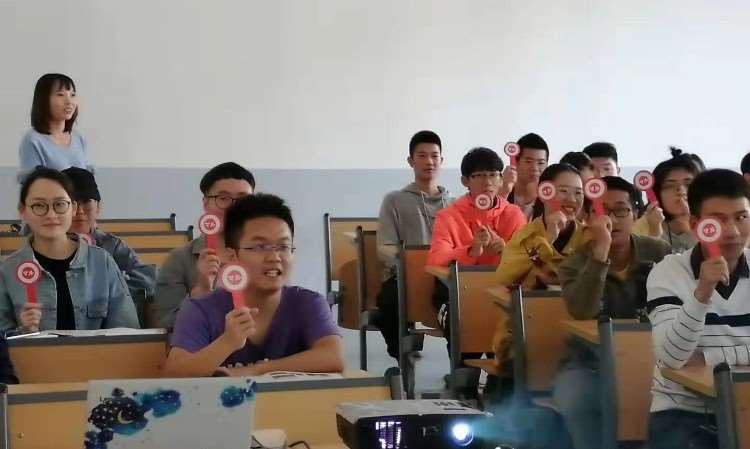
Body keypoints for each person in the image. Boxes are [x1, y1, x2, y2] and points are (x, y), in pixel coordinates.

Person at [164, 193, 343, 377]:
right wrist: (227, 342)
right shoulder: (200, 309)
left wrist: (253, 371)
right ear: (232, 256)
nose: (274, 257)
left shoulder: (309, 303)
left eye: (283, 247)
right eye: (259, 247)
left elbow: (333, 357)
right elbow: (175, 372)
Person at [552, 177, 671, 449]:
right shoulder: (573, 263)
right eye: (602, 212)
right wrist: (600, 255)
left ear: (636, 214)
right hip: (588, 363)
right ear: (586, 217)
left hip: (651, 362)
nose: (611, 220)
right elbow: (582, 310)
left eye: (621, 211)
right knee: (578, 399)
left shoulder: (658, 252)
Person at [646, 169, 750, 449]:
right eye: (718, 220)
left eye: (741, 217)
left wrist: (708, 358)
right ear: (696, 224)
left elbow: (692, 360)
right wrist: (702, 292)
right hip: (686, 409)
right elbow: (672, 358)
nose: (733, 231)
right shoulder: (667, 272)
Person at [0, 168, 138, 331]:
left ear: (72, 208)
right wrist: (21, 333)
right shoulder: (7, 271)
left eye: (60, 204)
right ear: (23, 211)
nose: (51, 215)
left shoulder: (102, 262)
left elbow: (126, 331)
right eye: (39, 205)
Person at [427, 147, 525, 348]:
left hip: (502, 292)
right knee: (463, 329)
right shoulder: (448, 216)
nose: (487, 182)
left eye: (493, 175)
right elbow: (436, 260)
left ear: (501, 179)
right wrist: (471, 250)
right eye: (479, 175)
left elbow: (527, 260)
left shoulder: (514, 214)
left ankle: (500, 366)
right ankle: (464, 367)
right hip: (456, 294)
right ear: (465, 181)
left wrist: (505, 250)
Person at [375, 130, 452, 360]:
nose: (429, 161)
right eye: (422, 155)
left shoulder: (454, 203)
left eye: (434, 156)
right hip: (404, 277)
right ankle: (401, 353)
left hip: (444, 278)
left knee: (467, 303)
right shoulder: (394, 200)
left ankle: (461, 366)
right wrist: (412, 263)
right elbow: (384, 246)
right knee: (389, 300)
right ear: (411, 161)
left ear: (441, 160)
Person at [154, 162, 255, 329]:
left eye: (244, 199)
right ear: (206, 203)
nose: (234, 208)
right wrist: (201, 291)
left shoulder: (266, 254)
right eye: (223, 198)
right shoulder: (179, 260)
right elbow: (167, 324)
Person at [62, 167, 156, 327]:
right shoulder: (48, 247)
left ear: (98, 207)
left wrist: (108, 283)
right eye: (72, 203)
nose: (80, 211)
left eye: (86, 202)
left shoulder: (113, 246)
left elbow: (147, 279)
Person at [495, 163, 590, 289]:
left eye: (578, 193)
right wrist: (547, 239)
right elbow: (504, 281)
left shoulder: (589, 236)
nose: (572, 200)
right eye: (563, 191)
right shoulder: (525, 237)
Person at [18, 74, 93, 183]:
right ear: (44, 99)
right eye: (60, 94)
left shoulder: (79, 138)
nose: (69, 102)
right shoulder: (32, 140)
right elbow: (33, 186)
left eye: (72, 95)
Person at [633, 149, 700, 253]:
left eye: (688, 184)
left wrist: (690, 225)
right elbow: (643, 261)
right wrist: (655, 230)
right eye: (670, 186)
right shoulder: (641, 226)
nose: (681, 191)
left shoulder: (713, 222)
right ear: (658, 193)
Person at [506, 133, 549, 221]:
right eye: (528, 161)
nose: (535, 168)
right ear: (516, 162)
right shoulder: (502, 193)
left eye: (541, 163)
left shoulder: (550, 199)